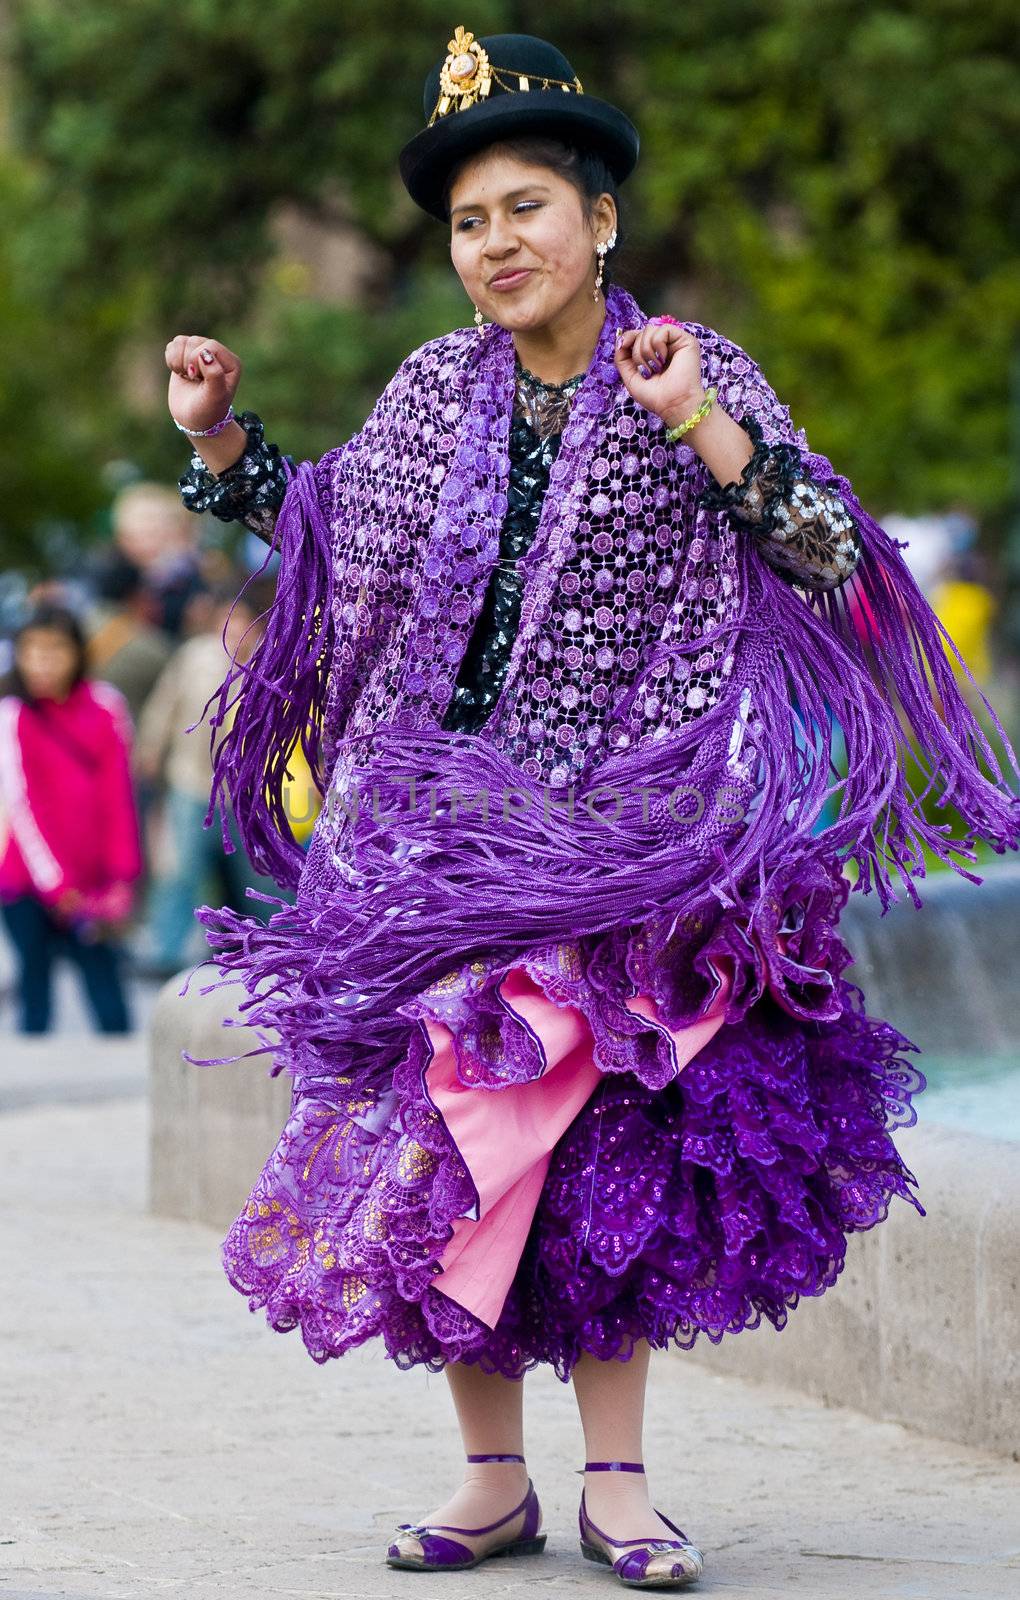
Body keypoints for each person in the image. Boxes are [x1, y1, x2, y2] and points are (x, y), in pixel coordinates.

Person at [165, 30, 1019, 1589]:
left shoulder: (689, 372)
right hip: (425, 858)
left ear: (601, 219)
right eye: (470, 221)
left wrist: (703, 419)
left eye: (527, 209)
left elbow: (830, 556)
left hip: (628, 853)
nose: (498, 245)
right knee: (438, 1166)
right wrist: (217, 434)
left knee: (605, 1164)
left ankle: (619, 1486)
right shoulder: (431, 389)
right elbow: (316, 533)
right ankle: (490, 1483)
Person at [0, 604, 142, 1032]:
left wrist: (122, 876)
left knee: (110, 1001)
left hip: (93, 883)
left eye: (55, 650)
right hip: (28, 881)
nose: (42, 662)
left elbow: (119, 795)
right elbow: (21, 807)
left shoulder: (106, 705)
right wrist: (57, 885)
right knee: (35, 998)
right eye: (31, 651)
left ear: (78, 652)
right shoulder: (12, 715)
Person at [133, 588, 280, 978]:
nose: (238, 633)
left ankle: (280, 942)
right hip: (192, 783)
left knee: (259, 870)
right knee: (182, 868)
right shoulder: (197, 657)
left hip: (252, 794)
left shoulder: (275, 666)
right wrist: (150, 747)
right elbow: (166, 704)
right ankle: (166, 951)